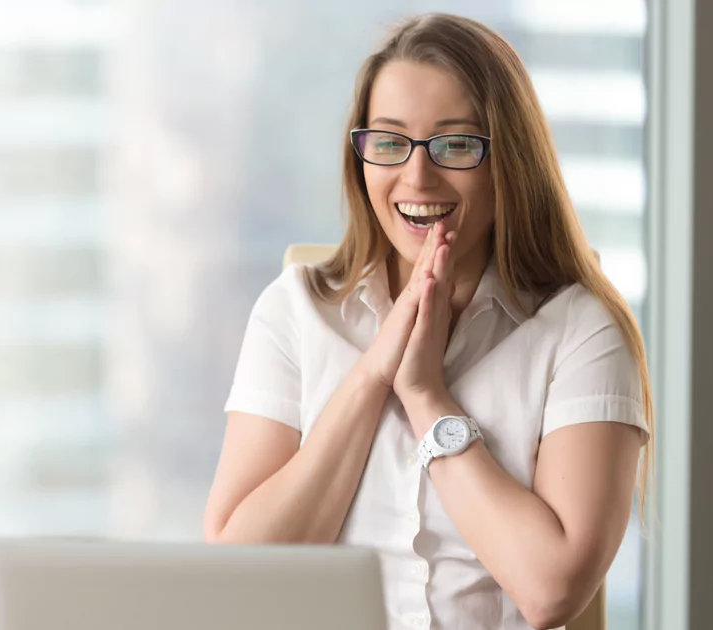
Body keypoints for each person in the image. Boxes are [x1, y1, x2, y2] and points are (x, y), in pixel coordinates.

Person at [204, 13, 653, 630]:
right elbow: (235, 579)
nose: (417, 177)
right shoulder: (295, 312)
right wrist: (370, 377)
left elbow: (551, 590)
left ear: (508, 163)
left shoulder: (582, 331)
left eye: (456, 144)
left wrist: (425, 396)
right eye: (389, 142)